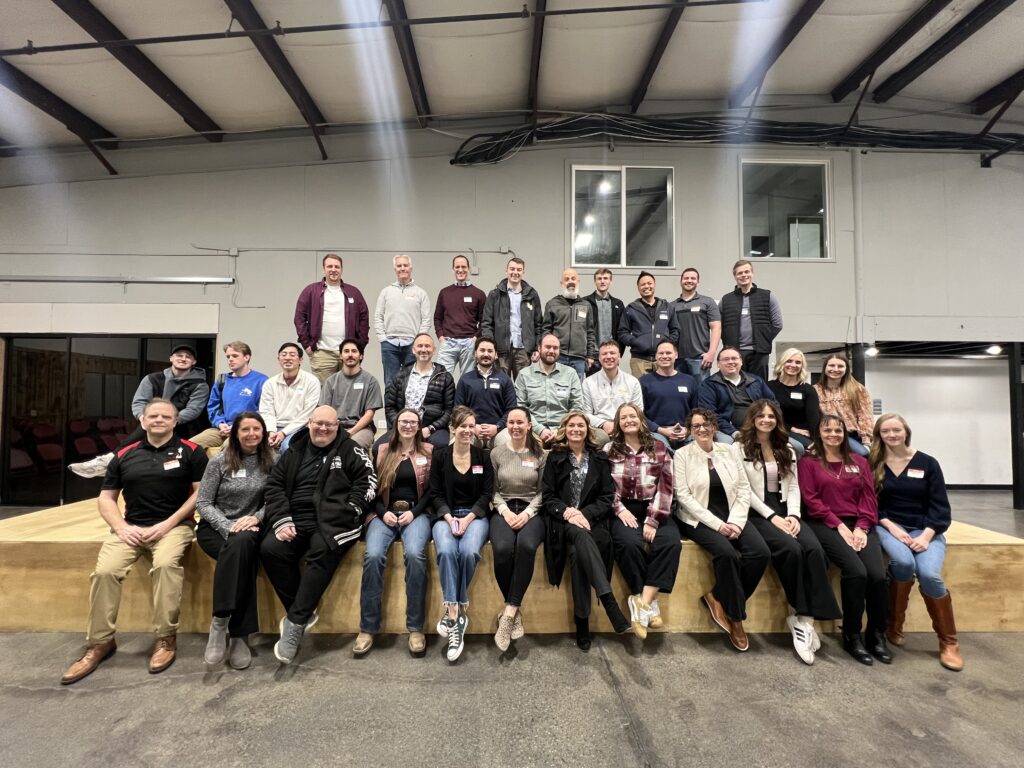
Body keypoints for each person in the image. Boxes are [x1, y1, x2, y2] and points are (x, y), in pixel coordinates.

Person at [60, 399, 207, 684]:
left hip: (174, 527)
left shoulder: (192, 452)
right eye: (153, 416)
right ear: (143, 421)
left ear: (175, 422)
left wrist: (169, 523)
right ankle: (99, 643)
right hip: (130, 528)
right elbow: (106, 499)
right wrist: (121, 527)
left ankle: (165, 638)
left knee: (165, 566)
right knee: (105, 572)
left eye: (166, 416)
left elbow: (200, 495)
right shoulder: (124, 455)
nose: (159, 420)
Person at [260, 406, 376, 664]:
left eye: (330, 425)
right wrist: (281, 518)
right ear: (310, 423)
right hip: (294, 517)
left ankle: (295, 624)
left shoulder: (351, 450)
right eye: (319, 423)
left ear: (338, 427)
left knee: (322, 550)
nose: (323, 429)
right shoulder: (294, 450)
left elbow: (367, 481)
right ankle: (303, 611)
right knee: (270, 549)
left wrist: (351, 510)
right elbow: (275, 486)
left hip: (334, 520)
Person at [733, 400, 840, 665]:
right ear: (753, 418)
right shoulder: (738, 447)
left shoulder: (788, 448)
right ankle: (802, 613)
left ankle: (805, 620)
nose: (766, 420)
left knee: (814, 549)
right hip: (757, 512)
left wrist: (793, 515)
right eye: (762, 415)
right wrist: (773, 517)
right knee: (791, 549)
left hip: (786, 509)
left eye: (771, 416)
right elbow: (743, 490)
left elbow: (793, 486)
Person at [869, 414, 963, 671]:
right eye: (886, 431)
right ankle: (894, 624)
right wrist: (890, 527)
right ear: (879, 435)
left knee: (929, 575)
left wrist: (926, 535)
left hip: (926, 529)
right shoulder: (874, 462)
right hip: (889, 525)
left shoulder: (928, 463)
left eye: (896, 430)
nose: (891, 435)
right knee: (901, 561)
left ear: (905, 431)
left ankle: (948, 642)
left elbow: (940, 506)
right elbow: (872, 505)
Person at [673, 407, 769, 652]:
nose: (702, 429)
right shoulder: (682, 455)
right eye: (696, 426)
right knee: (726, 554)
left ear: (714, 427)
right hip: (699, 519)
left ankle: (718, 597)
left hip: (733, 515)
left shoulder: (729, 451)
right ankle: (736, 619)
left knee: (760, 553)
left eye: (706, 424)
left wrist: (736, 521)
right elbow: (684, 497)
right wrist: (719, 525)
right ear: (690, 430)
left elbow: (744, 489)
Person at [798, 415, 890, 666]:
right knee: (856, 572)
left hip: (859, 524)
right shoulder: (809, 462)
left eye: (838, 430)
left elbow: (869, 499)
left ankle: (876, 634)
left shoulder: (860, 462)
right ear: (819, 433)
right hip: (825, 523)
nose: (833, 434)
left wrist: (861, 528)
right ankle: (852, 634)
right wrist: (839, 526)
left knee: (878, 576)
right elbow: (811, 499)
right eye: (827, 430)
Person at [542, 411, 630, 651]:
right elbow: (548, 496)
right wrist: (568, 512)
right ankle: (608, 600)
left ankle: (583, 624)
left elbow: (606, 496)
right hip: (563, 523)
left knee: (579, 555)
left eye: (581, 425)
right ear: (565, 429)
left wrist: (585, 514)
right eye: (572, 425)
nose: (576, 429)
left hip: (593, 521)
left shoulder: (600, 459)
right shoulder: (555, 457)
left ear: (587, 430)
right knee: (578, 535)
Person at [195, 411, 276, 670]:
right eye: (245, 430)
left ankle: (220, 621)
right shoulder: (219, 461)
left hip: (252, 528)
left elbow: (275, 499)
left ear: (263, 432)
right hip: (216, 528)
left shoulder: (273, 460)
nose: (251, 434)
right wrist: (227, 526)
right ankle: (239, 634)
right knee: (243, 554)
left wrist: (255, 518)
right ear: (235, 433)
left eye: (256, 429)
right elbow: (204, 503)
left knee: (243, 547)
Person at [353, 409, 434, 657]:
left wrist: (416, 512)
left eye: (413, 422)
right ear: (396, 424)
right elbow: (373, 488)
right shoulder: (383, 450)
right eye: (403, 421)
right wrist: (381, 512)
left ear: (419, 426)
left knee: (415, 555)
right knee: (374, 555)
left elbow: (433, 490)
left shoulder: (429, 451)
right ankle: (367, 628)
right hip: (384, 513)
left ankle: (416, 627)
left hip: (416, 514)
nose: (408, 426)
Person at [69, 344, 209, 477]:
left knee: (156, 432)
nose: (183, 359)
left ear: (194, 361)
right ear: (171, 358)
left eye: (188, 356)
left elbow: (193, 409)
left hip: (184, 428)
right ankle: (109, 463)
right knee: (149, 428)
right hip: (151, 426)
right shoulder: (152, 379)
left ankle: (110, 461)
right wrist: (143, 417)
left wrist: (169, 420)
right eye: (179, 355)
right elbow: (139, 402)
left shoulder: (200, 385)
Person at [605, 403, 679, 640]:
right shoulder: (609, 450)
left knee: (670, 543)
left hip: (654, 506)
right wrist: (619, 509)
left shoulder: (659, 447)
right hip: (623, 507)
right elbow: (604, 486)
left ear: (641, 419)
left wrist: (653, 520)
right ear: (618, 423)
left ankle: (642, 603)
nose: (628, 420)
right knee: (628, 544)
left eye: (632, 416)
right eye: (623, 417)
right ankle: (649, 603)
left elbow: (666, 487)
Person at [430, 406, 493, 663]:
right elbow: (435, 493)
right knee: (446, 551)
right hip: (446, 514)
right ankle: (456, 614)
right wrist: (448, 517)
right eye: (463, 426)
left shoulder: (482, 456)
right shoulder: (440, 455)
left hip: (474, 516)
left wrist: (467, 519)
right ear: (452, 429)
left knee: (468, 552)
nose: (468, 431)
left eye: (471, 426)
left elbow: (487, 494)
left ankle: (454, 609)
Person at [489, 406, 548, 651]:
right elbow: (491, 489)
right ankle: (513, 609)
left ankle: (509, 613)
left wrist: (526, 513)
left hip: (531, 510)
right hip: (502, 509)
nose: (515, 426)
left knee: (525, 545)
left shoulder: (541, 454)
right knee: (502, 549)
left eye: (520, 422)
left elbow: (544, 491)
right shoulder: (496, 454)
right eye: (511, 422)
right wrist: (503, 510)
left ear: (529, 425)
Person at [293, 252, 370, 383]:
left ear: (341, 270)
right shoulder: (311, 291)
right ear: (324, 269)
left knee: (349, 392)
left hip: (348, 353)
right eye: (329, 267)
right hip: (322, 352)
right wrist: (307, 344)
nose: (333, 270)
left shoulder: (353, 292)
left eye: (337, 267)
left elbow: (364, 318)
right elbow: (299, 317)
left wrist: (360, 346)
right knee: (324, 394)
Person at [382, 333, 454, 449]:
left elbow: (449, 410)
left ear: (434, 350)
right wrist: (402, 425)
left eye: (427, 346)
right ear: (413, 350)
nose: (424, 349)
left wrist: (431, 428)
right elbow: (390, 406)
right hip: (404, 425)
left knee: (441, 445)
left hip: (432, 428)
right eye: (420, 346)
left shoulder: (445, 377)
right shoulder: (400, 375)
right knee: (378, 448)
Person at [192, 341, 267, 452]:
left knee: (228, 449)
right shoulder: (222, 380)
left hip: (245, 430)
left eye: (235, 356)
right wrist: (220, 423)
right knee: (188, 446)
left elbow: (264, 410)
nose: (230, 359)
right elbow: (213, 407)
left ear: (247, 357)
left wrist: (237, 426)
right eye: (228, 356)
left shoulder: (261, 380)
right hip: (221, 429)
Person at [512, 333, 583, 445]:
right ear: (539, 348)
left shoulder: (570, 374)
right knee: (532, 450)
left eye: (555, 348)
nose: (551, 351)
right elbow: (521, 407)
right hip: (533, 429)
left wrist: (561, 430)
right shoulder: (524, 374)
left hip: (564, 429)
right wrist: (540, 430)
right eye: (548, 347)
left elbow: (577, 406)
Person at [480, 256, 544, 380]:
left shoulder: (532, 294)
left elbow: (538, 324)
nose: (515, 272)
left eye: (519, 270)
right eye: (512, 269)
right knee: (500, 386)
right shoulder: (495, 295)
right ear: (506, 271)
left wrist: (536, 347)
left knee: (524, 387)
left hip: (524, 350)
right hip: (501, 350)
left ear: (523, 273)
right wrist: (491, 347)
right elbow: (487, 323)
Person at [719, 259, 783, 382]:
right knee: (734, 387)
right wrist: (727, 343)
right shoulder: (726, 300)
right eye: (740, 273)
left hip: (760, 353)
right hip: (735, 353)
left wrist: (763, 339)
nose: (744, 275)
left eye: (746, 271)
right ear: (735, 276)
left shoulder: (768, 296)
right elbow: (719, 326)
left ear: (752, 273)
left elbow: (778, 324)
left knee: (758, 387)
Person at [697, 346, 776, 442]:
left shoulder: (756, 381)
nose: (731, 362)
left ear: (741, 362)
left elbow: (773, 404)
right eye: (726, 359)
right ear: (718, 364)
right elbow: (709, 413)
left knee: (796, 446)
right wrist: (733, 432)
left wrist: (766, 423)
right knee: (727, 446)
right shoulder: (709, 385)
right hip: (725, 431)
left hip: (759, 426)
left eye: (734, 358)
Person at [374, 253, 432, 384]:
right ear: (395, 269)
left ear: (411, 268)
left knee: (412, 382)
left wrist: (419, 341)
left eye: (405, 265)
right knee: (390, 382)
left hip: (412, 345)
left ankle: (410, 406)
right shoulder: (386, 292)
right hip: (389, 344)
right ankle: (391, 406)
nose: (402, 268)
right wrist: (382, 338)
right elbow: (378, 316)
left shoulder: (420, 293)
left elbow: (426, 319)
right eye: (399, 266)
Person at [319, 338, 383, 449]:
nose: (350, 355)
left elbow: (369, 414)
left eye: (354, 351)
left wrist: (351, 432)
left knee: (350, 447)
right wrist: (334, 430)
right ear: (340, 356)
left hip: (361, 429)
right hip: (334, 427)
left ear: (361, 356)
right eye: (346, 351)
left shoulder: (371, 381)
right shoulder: (330, 381)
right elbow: (324, 411)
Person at [454, 337, 516, 448]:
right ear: (475, 353)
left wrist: (497, 427)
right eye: (482, 350)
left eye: (490, 351)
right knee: (457, 443)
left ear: (496, 355)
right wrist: (472, 426)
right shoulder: (465, 379)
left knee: (510, 442)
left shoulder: (505, 379)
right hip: (472, 430)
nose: (486, 354)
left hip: (499, 431)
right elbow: (459, 409)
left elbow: (511, 410)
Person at [259, 342, 321, 451]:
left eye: (292, 355)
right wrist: (271, 431)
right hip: (274, 427)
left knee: (287, 447)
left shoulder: (311, 381)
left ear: (300, 360)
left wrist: (284, 432)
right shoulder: (270, 383)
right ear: (278, 359)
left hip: (300, 429)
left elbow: (307, 414)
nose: (287, 358)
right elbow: (266, 411)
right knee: (252, 444)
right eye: (284, 355)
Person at [581, 340, 644, 447]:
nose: (609, 356)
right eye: (604, 354)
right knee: (601, 439)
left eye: (612, 353)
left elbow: (638, 411)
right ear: (599, 358)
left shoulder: (632, 382)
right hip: (600, 427)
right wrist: (604, 424)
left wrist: (621, 425)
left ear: (619, 356)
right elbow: (586, 414)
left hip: (627, 424)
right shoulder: (588, 382)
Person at [434, 254, 487, 379]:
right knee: (441, 379)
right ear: (453, 269)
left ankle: (464, 400)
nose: (460, 270)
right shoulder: (444, 292)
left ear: (468, 269)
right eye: (457, 267)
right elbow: (437, 318)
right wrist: (441, 337)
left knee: (468, 380)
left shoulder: (478, 294)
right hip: (448, 343)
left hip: (469, 343)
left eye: (463, 267)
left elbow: (485, 320)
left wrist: (475, 338)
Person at [617, 271, 679, 378]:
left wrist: (668, 344)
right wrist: (636, 342)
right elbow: (622, 332)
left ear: (654, 285)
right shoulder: (631, 309)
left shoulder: (667, 307)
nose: (646, 286)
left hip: (663, 359)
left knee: (663, 391)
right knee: (641, 391)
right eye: (643, 284)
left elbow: (675, 330)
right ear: (638, 287)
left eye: (649, 283)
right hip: (639, 360)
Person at [640, 340, 697, 449]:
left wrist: (688, 430)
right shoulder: (644, 381)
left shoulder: (689, 381)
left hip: (685, 432)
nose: (664, 356)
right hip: (657, 432)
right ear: (656, 356)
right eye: (661, 353)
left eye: (668, 353)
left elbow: (696, 411)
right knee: (660, 449)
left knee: (698, 445)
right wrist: (662, 430)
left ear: (676, 355)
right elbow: (640, 415)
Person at [813, 353, 874, 457]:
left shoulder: (857, 389)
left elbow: (865, 416)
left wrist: (866, 441)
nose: (836, 369)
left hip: (851, 435)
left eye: (840, 366)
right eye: (831, 365)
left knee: (863, 455)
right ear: (825, 368)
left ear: (846, 369)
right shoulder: (815, 390)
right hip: (826, 435)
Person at [670, 267, 721, 386]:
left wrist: (711, 353)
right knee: (681, 394)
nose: (689, 280)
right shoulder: (672, 305)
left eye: (693, 278)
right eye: (686, 278)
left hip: (700, 358)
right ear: (680, 281)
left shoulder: (707, 302)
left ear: (698, 282)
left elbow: (716, 328)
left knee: (701, 394)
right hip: (678, 359)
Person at [543, 267, 596, 381]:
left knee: (576, 392)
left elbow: (590, 331)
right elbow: (546, 331)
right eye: (567, 279)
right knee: (556, 390)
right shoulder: (552, 304)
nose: (570, 281)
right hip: (558, 356)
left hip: (579, 359)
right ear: (562, 283)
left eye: (573, 278)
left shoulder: (586, 305)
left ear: (578, 281)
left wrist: (590, 355)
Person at [766, 347, 819, 456]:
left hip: (805, 432)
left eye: (798, 362)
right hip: (778, 429)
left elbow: (814, 419)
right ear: (782, 363)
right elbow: (768, 415)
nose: (793, 365)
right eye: (789, 361)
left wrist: (818, 441)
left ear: (802, 366)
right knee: (800, 448)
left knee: (813, 449)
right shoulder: (769, 387)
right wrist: (792, 429)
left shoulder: (808, 389)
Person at [584, 268, 625, 375]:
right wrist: (588, 354)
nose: (602, 281)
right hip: (593, 356)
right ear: (595, 281)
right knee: (592, 388)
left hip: (611, 355)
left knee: (612, 387)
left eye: (605, 278)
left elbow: (622, 331)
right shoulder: (585, 302)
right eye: (599, 279)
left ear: (610, 281)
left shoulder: (618, 304)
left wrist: (619, 353)